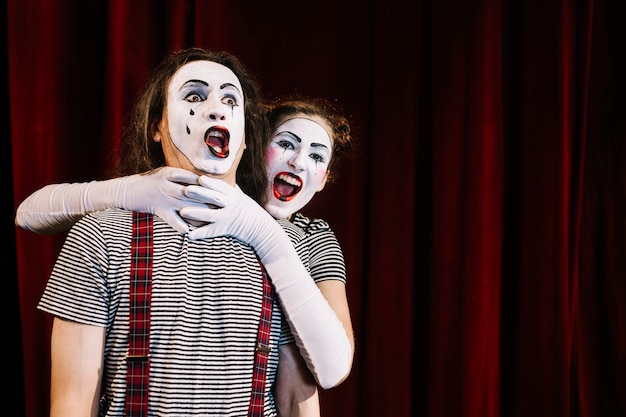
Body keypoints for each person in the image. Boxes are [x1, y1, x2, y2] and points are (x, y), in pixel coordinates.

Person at [29, 47, 352, 416]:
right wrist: (123, 190)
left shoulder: (290, 245)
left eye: (230, 99)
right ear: (156, 126)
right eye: (195, 96)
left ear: (246, 137)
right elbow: (71, 403)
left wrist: (262, 231)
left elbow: (303, 396)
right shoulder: (100, 234)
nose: (216, 108)